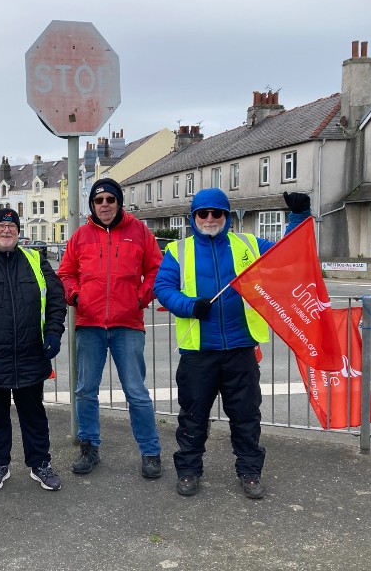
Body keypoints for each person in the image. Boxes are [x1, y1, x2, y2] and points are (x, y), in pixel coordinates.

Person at [154, 189, 311, 499]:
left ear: (226, 216)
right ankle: (188, 470)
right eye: (203, 213)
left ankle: (250, 472)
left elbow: (291, 254)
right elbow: (163, 287)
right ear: (193, 217)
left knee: (246, 416)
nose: (210, 218)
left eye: (217, 213)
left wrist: (299, 216)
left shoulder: (249, 245)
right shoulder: (178, 251)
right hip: (199, 351)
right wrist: (189, 306)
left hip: (241, 348)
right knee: (193, 416)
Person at [57, 178, 164, 479]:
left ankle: (150, 451)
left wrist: (140, 298)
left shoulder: (140, 232)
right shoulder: (80, 236)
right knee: (86, 391)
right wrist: (76, 296)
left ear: (119, 202)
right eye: (99, 200)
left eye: (110, 199)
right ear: (92, 205)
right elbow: (66, 273)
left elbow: (156, 270)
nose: (104, 204)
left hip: (127, 324)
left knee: (136, 392)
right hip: (89, 324)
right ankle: (89, 446)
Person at [0, 208, 67, 491]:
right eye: (0, 227)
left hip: (31, 353)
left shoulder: (35, 259)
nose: (6, 231)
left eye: (11, 227)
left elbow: (57, 296)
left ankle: (40, 463)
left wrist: (54, 332)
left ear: (18, 232)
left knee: (34, 414)